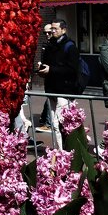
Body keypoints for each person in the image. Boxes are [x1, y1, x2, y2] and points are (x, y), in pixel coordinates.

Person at [38, 20, 80, 148]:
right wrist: (41, 69)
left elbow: (73, 70)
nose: (52, 31)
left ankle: (63, 152)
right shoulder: (49, 45)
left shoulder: (70, 47)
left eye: (55, 29)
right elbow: (47, 64)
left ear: (63, 30)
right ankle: (58, 150)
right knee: (55, 124)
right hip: (51, 89)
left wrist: (52, 70)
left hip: (64, 91)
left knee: (58, 123)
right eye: (52, 29)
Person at [36, 24, 54, 131]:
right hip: (48, 76)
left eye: (49, 32)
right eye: (45, 33)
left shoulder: (55, 45)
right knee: (49, 97)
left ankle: (48, 123)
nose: (47, 35)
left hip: (54, 76)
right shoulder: (45, 44)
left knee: (51, 99)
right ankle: (44, 118)